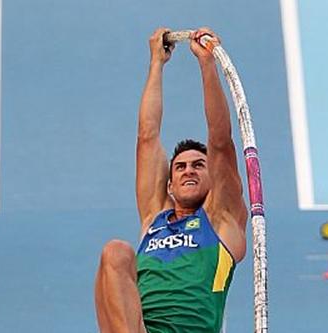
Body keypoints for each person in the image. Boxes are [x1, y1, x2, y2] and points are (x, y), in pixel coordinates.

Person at [95, 27, 248, 333]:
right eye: (180, 167)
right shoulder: (155, 219)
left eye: (198, 165)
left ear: (212, 177)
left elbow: (220, 140)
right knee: (116, 252)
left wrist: (207, 64)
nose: (189, 170)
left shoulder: (223, 220)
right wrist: (156, 64)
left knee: (117, 251)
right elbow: (147, 138)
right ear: (169, 184)